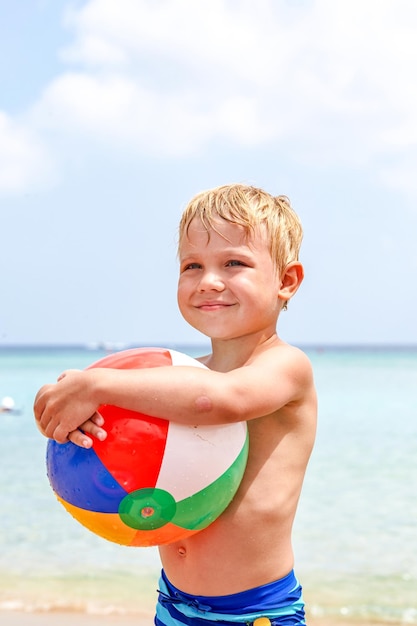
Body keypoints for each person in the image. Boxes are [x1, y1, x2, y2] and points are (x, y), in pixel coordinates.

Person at [34, 183, 317, 626]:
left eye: (234, 263)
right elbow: (121, 433)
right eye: (192, 265)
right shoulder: (180, 376)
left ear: (286, 281)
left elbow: (220, 400)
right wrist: (64, 411)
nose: (209, 281)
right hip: (174, 604)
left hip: (255, 612)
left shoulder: (284, 367)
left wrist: (99, 385)